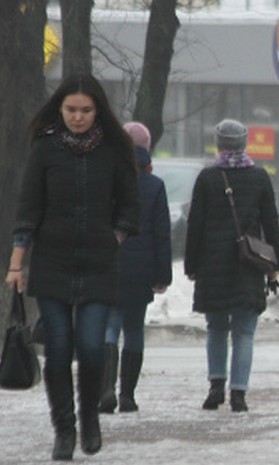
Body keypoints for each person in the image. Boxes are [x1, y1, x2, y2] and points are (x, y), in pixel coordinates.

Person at [6, 73, 140, 461]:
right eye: (70, 110)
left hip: (98, 264)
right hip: (52, 263)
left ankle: (90, 421)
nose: (77, 117)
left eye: (85, 110)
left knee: (93, 347)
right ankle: (63, 429)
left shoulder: (114, 150)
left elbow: (130, 208)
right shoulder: (46, 150)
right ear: (59, 109)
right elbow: (28, 208)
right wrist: (17, 262)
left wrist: (113, 238)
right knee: (60, 348)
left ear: (98, 111)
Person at [184, 118, 279, 413]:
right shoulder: (259, 177)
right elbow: (271, 222)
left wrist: (191, 263)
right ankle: (238, 393)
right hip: (248, 264)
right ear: (244, 143)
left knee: (215, 327)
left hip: (212, 263)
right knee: (244, 331)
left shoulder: (207, 178)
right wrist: (275, 261)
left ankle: (216, 387)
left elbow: (195, 225)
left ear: (219, 144)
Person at [99, 122, 173, 414]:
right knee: (134, 329)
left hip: (109, 264)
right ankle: (127, 395)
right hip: (141, 270)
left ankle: (106, 390)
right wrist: (162, 275)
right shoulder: (155, 186)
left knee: (110, 326)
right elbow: (162, 233)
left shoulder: (106, 179)